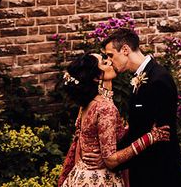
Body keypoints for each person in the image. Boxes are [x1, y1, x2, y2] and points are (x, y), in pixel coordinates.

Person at [58, 52, 170, 187]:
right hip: (99, 179)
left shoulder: (88, 104)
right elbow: (111, 160)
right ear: (96, 77)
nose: (110, 62)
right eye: (104, 62)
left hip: (81, 176)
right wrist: (150, 137)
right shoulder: (105, 108)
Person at [103, 29, 181, 187]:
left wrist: (113, 160)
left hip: (159, 173)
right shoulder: (142, 77)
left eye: (110, 55)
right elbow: (140, 128)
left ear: (125, 50)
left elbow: (161, 134)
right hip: (144, 170)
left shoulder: (158, 79)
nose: (109, 61)